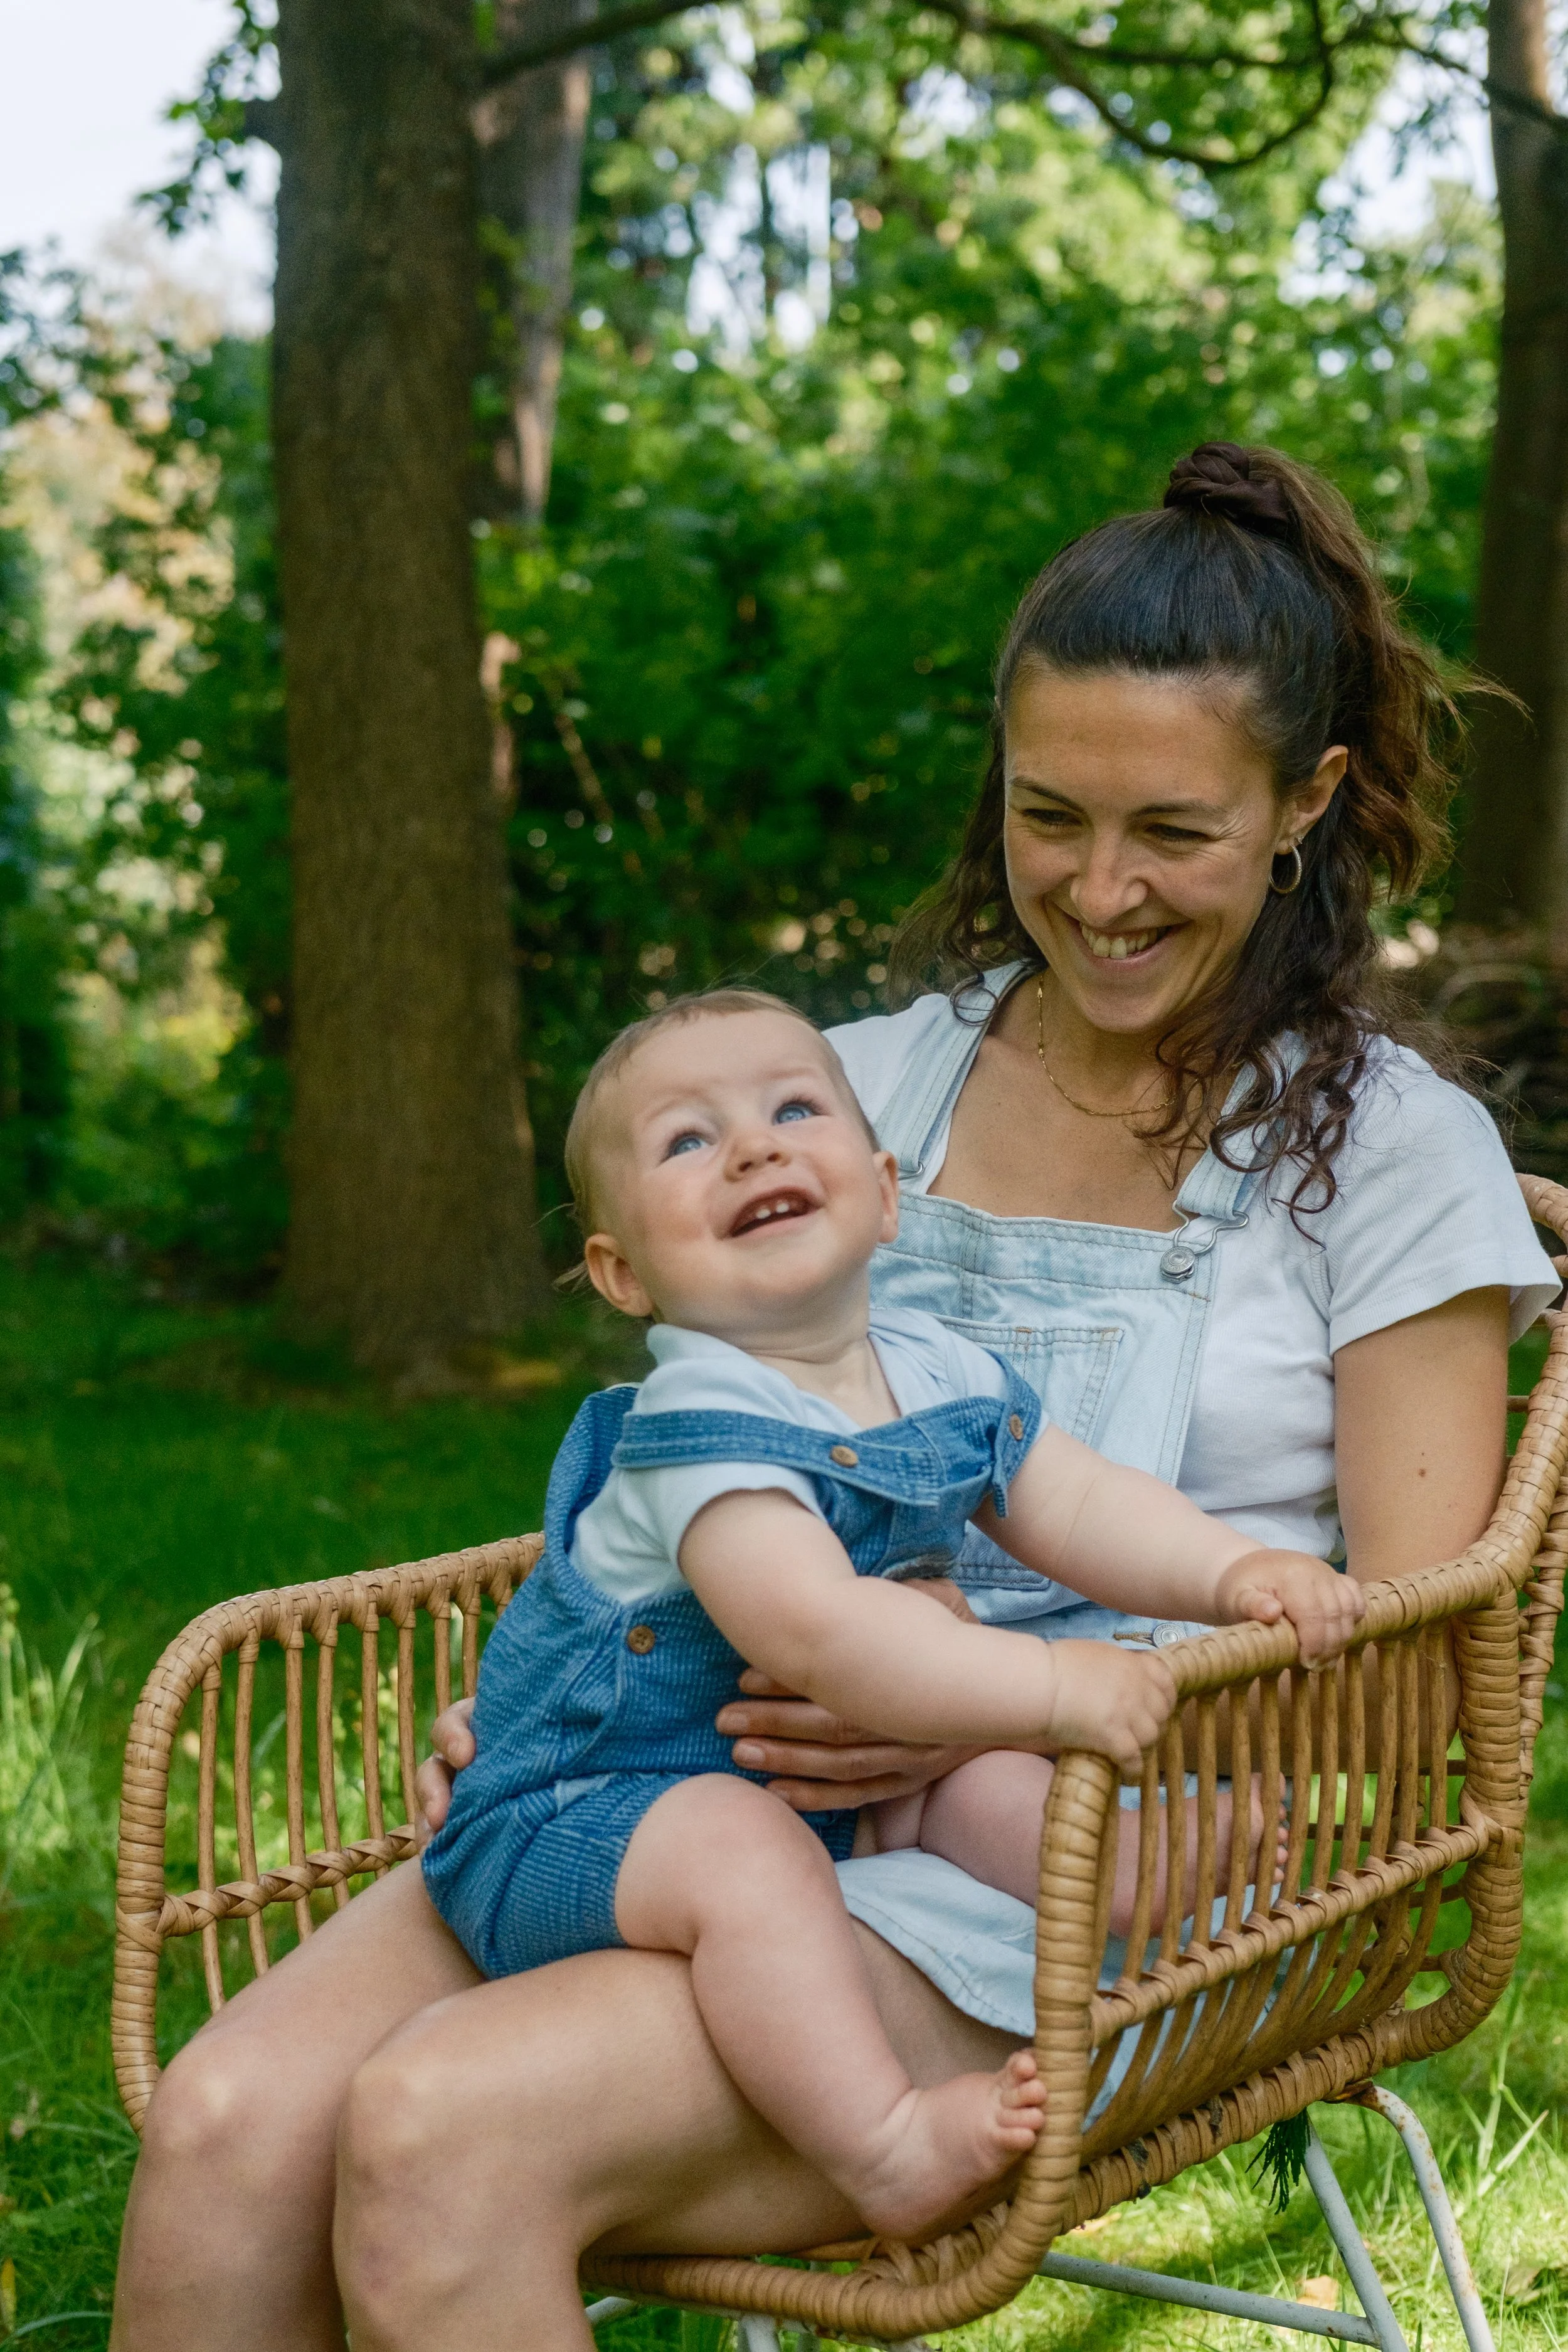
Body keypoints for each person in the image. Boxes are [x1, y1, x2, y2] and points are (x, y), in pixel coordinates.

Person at [110, 443, 1560, 2352]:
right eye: (1049, 814)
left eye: (1172, 833)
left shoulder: (1394, 1157)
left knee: (442, 2127)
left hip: (1108, 1863)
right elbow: (697, 1443)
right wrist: (580, 1663)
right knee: (225, 2119)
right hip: (696, 1785)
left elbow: (1417, 1695)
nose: (1099, 890)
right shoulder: (849, 1089)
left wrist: (949, 1703)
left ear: (1303, 804)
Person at [421, 991, 1353, 2240]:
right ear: (622, 1273)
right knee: (742, 1849)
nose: (752, 1147)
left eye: (791, 1110)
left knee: (960, 1783)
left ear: (882, 1193)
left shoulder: (935, 1369)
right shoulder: (696, 1434)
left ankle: (1138, 1876)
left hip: (800, 1788)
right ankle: (884, 2144)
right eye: (687, 1142)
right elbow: (818, 1637)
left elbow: (1077, 1505)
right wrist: (1054, 1692)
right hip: (575, 1813)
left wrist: (1232, 1574)